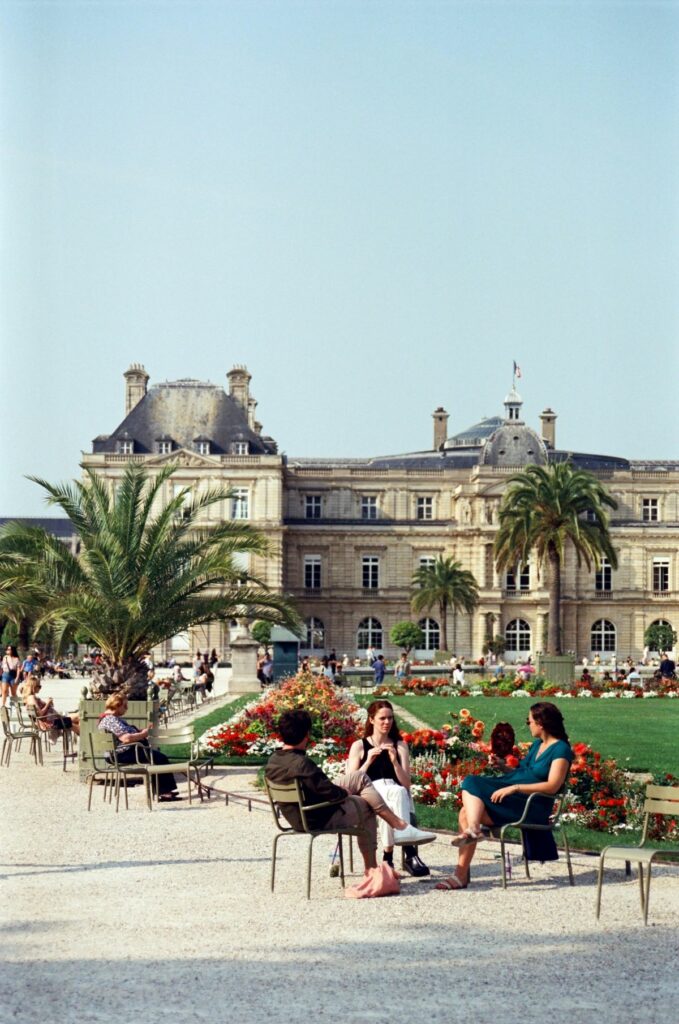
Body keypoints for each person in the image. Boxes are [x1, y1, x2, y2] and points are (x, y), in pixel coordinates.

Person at [265, 709, 435, 873]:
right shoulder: (302, 764)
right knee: (367, 805)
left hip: (296, 815)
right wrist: (344, 792)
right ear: (307, 734)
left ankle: (400, 826)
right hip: (316, 817)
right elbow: (331, 794)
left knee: (359, 778)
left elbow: (320, 787)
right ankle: (373, 867)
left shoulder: (274, 760)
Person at [436, 702, 573, 891]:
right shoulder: (537, 746)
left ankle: (470, 844)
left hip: (532, 805)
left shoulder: (561, 749)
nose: (528, 724)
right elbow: (524, 772)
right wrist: (502, 766)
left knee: (471, 783)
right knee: (465, 811)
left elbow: (552, 786)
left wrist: (515, 788)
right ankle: (462, 870)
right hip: (515, 798)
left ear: (541, 723)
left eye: (529, 721)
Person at [347, 700, 432, 877]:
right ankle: (408, 852)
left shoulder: (399, 745)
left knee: (398, 793)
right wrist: (368, 760)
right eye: (382, 718)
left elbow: (406, 783)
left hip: (393, 790)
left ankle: (388, 857)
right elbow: (351, 782)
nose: (387, 722)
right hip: (369, 791)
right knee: (390, 796)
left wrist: (394, 762)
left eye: (390, 718)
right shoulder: (360, 746)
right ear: (371, 720)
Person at [98, 692, 180, 801]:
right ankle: (164, 793)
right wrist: (144, 734)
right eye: (125, 706)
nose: (126, 709)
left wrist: (142, 731)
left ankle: (164, 791)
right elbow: (126, 739)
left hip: (119, 752)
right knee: (160, 758)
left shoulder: (109, 718)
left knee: (157, 757)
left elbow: (125, 735)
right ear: (117, 705)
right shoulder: (111, 720)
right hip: (121, 754)